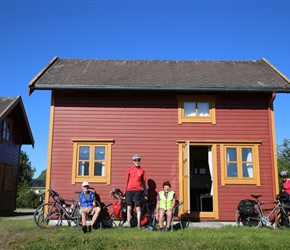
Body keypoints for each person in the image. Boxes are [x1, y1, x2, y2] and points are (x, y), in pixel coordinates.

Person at [124, 154, 148, 228]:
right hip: (129, 190)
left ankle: (138, 224)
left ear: (140, 161)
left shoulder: (142, 170)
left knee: (138, 207)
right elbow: (126, 181)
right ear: (133, 161)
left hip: (138, 190)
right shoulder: (129, 170)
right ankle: (128, 223)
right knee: (129, 207)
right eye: (135, 160)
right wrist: (125, 192)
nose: (137, 161)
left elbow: (143, 182)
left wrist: (145, 192)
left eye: (138, 160)